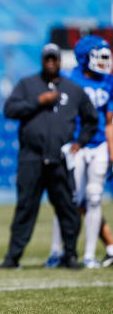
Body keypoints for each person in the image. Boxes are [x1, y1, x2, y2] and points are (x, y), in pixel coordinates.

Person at [0, 43, 98, 269]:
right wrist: (38, 101)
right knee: (25, 207)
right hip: (31, 158)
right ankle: (12, 257)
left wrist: (80, 143)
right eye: (48, 59)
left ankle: (70, 255)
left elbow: (91, 119)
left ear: (60, 61)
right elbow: (9, 110)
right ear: (42, 61)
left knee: (67, 208)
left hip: (60, 159)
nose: (51, 62)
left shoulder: (73, 89)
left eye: (55, 58)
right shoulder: (27, 85)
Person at [44, 36, 113, 269]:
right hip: (75, 144)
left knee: (94, 199)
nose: (105, 61)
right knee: (68, 200)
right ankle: (56, 251)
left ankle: (90, 255)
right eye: (99, 56)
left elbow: (110, 122)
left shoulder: (108, 82)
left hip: (100, 144)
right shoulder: (69, 80)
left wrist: (112, 153)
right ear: (85, 57)